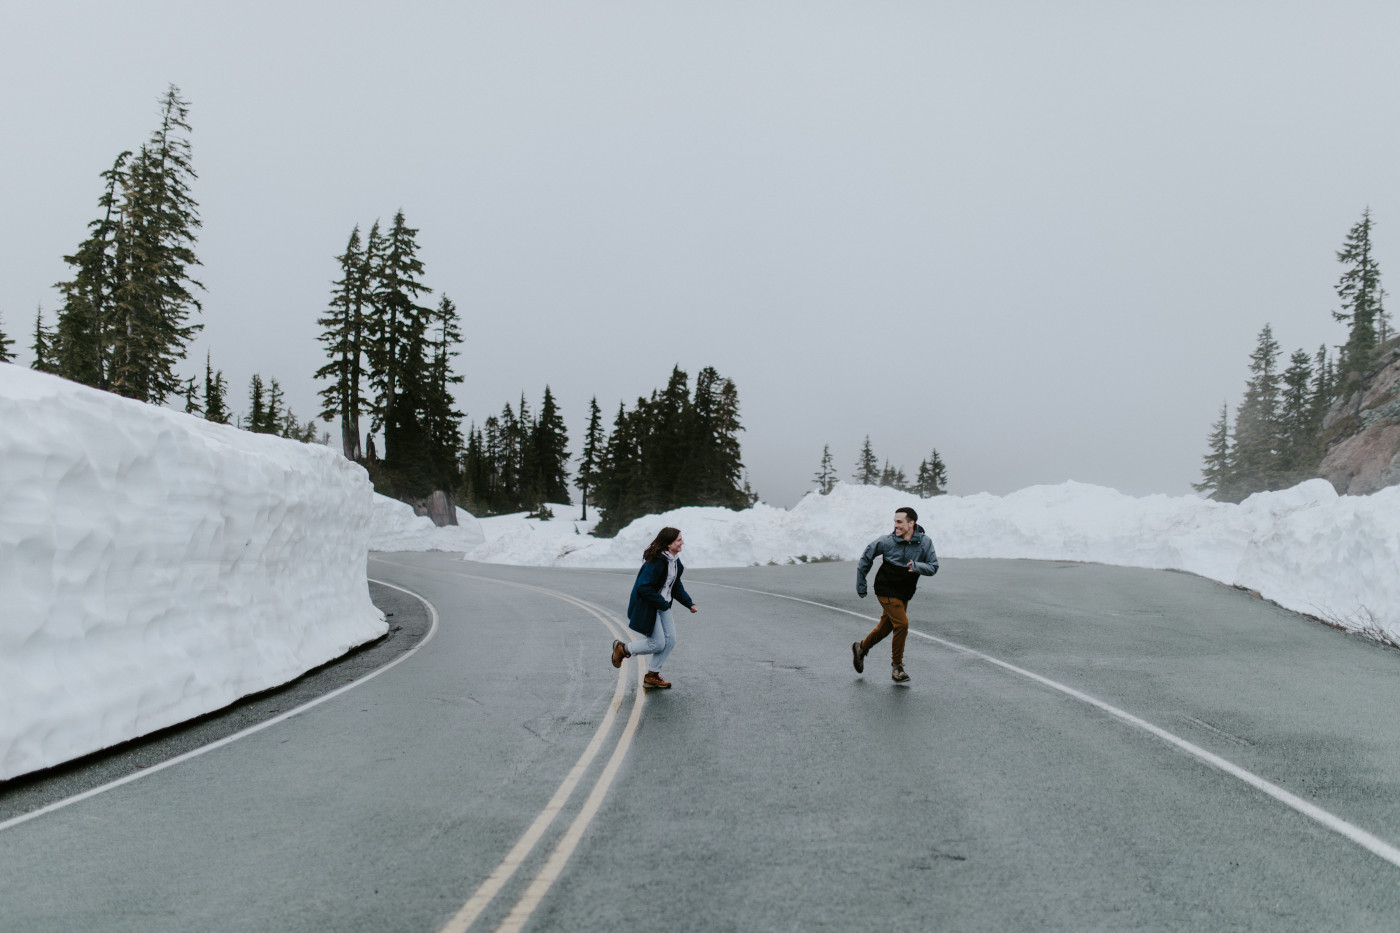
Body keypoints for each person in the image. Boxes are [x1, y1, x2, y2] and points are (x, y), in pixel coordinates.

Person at [853, 506, 938, 683]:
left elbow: (933, 567)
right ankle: (897, 667)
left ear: (911, 523)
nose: (896, 526)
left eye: (899, 522)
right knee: (902, 624)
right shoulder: (886, 542)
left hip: (904, 591)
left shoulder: (925, 543)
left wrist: (917, 566)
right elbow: (865, 559)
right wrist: (861, 584)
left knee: (886, 627)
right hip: (885, 588)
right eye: (895, 522)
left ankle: (861, 647)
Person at [611, 526, 698, 688]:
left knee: (670, 640)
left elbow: (675, 585)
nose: (682, 543)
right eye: (679, 540)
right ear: (668, 543)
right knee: (657, 644)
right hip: (649, 606)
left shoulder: (674, 561)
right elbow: (643, 586)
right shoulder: (656, 561)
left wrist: (689, 603)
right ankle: (623, 649)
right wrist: (661, 603)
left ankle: (652, 675)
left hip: (662, 605)